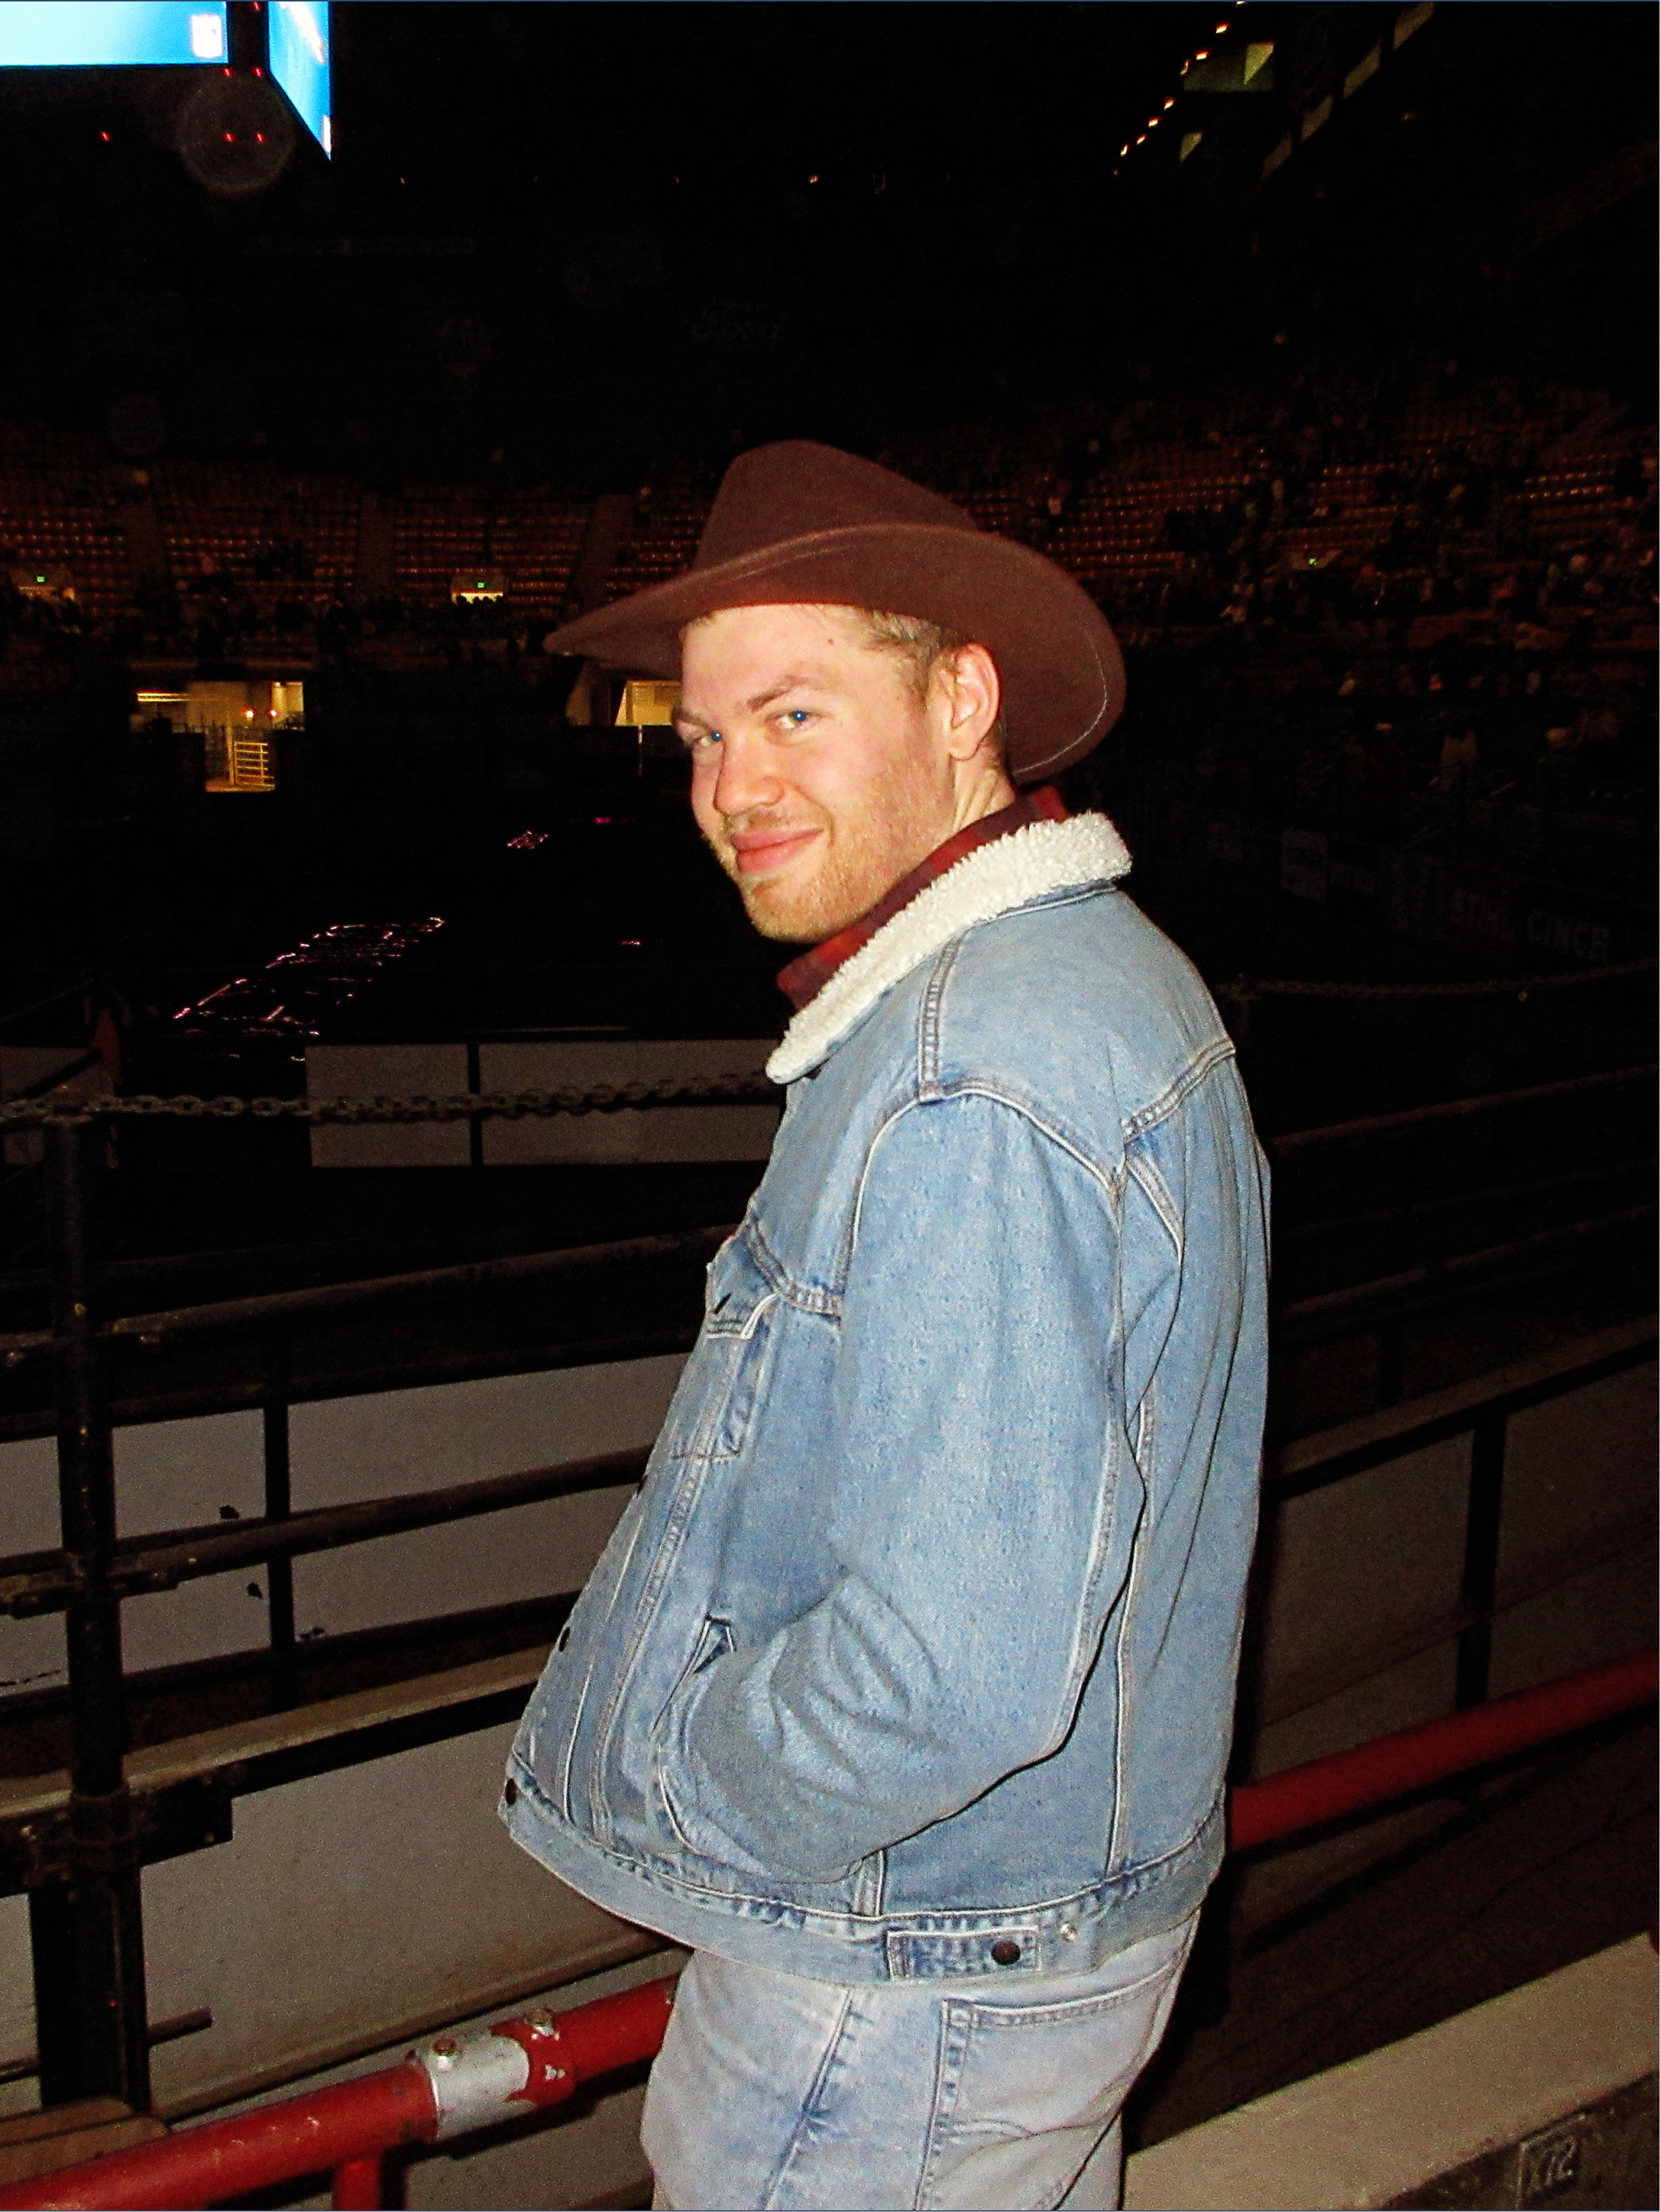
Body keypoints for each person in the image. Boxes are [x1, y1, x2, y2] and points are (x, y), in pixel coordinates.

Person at [502, 442, 1269, 2211]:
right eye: (701, 736)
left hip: (897, 1978)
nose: (732, 787)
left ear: (962, 701)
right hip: (1017, 1941)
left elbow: (952, 1672)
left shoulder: (965, 1071)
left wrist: (678, 1774)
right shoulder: (1100, 977)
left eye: (792, 715)